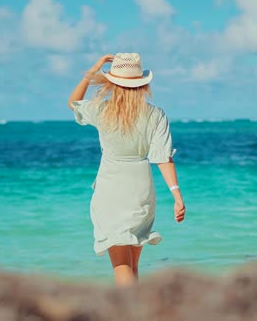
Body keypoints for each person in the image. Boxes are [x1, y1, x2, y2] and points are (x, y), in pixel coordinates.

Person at [67, 53, 186, 287]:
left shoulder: (102, 110)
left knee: (122, 267)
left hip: (111, 189)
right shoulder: (156, 114)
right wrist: (176, 195)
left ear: (112, 82)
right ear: (143, 83)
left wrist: (96, 68)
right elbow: (163, 158)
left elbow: (73, 103)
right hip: (141, 188)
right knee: (132, 266)